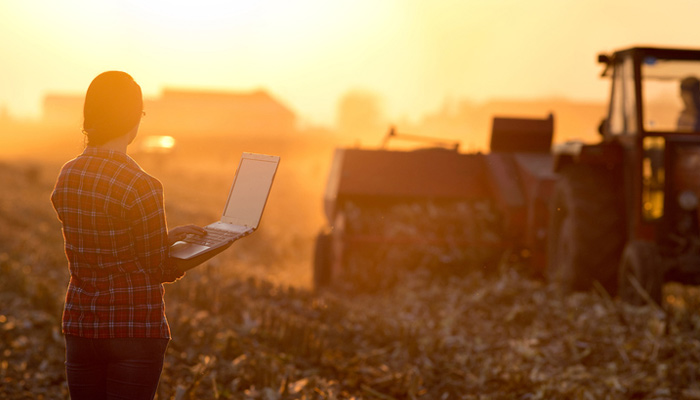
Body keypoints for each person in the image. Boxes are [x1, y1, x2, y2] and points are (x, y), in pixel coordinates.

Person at [51, 71, 221, 399]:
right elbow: (158, 268)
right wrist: (211, 246)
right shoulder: (141, 185)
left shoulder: (67, 175)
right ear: (133, 119)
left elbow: (106, 238)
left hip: (81, 326)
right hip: (133, 328)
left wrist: (166, 236)